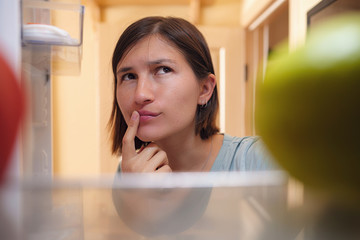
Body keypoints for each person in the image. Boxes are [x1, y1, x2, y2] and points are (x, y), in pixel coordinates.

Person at [108, 16, 275, 173]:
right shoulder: (129, 172)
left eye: (163, 70)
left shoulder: (255, 161)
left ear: (204, 89)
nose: (140, 94)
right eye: (129, 76)